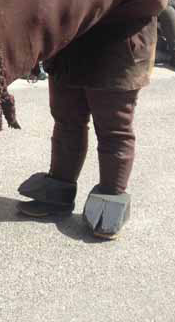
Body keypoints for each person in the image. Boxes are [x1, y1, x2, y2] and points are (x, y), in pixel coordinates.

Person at [16, 17, 157, 240]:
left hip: (118, 44)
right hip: (69, 44)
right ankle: (58, 192)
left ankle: (109, 204)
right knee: (66, 122)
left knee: (114, 131)